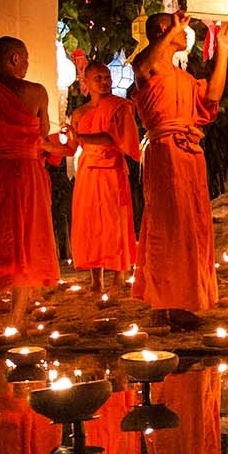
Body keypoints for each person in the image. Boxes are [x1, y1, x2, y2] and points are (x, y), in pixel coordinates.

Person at [132, 12, 228, 331]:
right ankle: (160, 304)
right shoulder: (148, 67)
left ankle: (178, 302)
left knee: (189, 226)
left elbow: (212, 97)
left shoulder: (182, 75)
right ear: (165, 30)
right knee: (166, 223)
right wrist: (174, 29)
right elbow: (142, 66)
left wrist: (224, 49)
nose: (186, 35)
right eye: (182, 30)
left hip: (190, 151)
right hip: (164, 149)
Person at [0, 37, 62, 338]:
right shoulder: (35, 92)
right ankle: (16, 321)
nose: (29, 63)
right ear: (15, 59)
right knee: (26, 242)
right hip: (26, 171)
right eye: (27, 57)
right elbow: (44, 131)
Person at [63, 60, 142, 296]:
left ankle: (119, 275)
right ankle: (96, 279)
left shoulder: (121, 107)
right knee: (89, 223)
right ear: (85, 82)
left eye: (106, 77)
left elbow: (115, 139)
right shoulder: (79, 113)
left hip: (111, 169)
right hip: (87, 171)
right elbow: (71, 148)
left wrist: (83, 137)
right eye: (98, 77)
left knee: (114, 221)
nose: (104, 81)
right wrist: (43, 144)